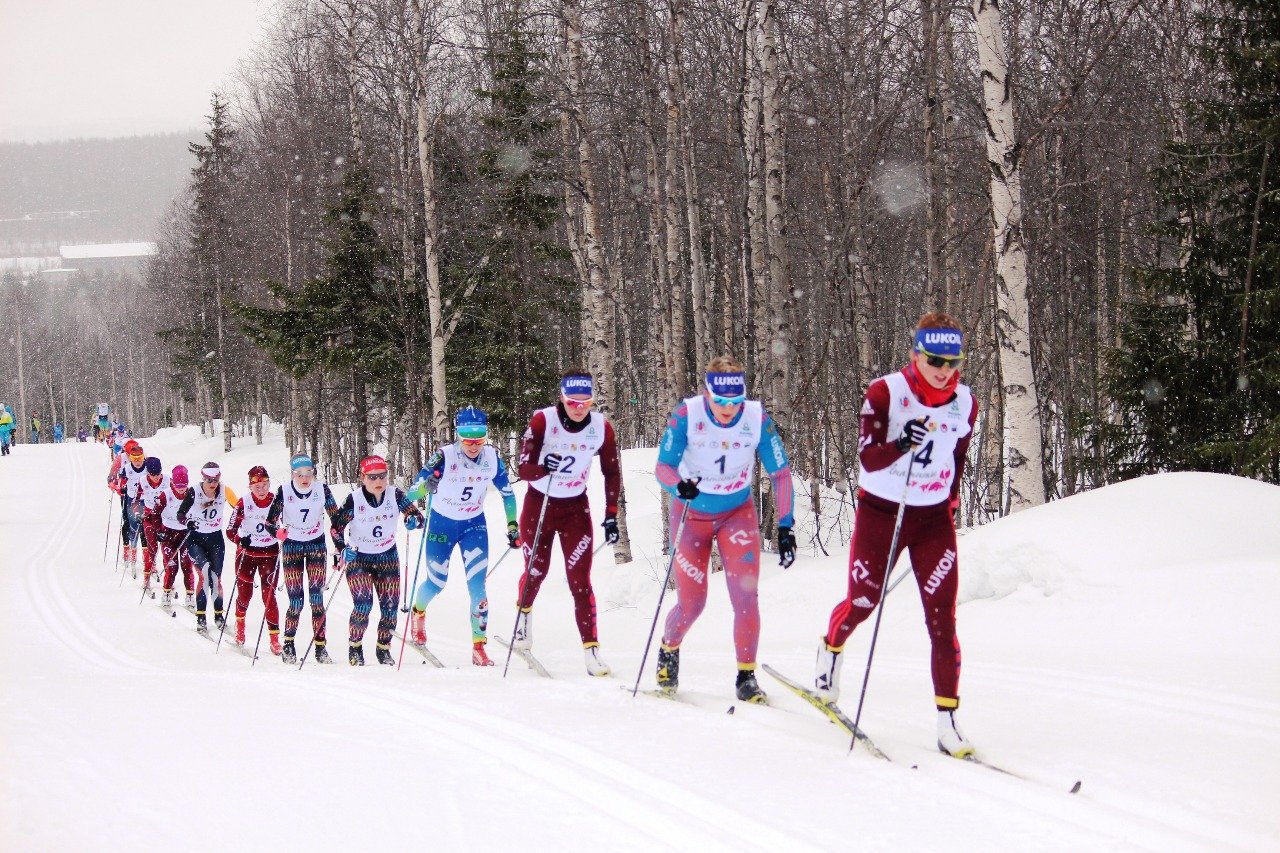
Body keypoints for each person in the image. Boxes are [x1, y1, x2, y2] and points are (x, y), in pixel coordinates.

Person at [815, 312, 979, 758]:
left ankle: (948, 721)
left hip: (931, 520)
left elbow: (959, 454)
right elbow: (868, 460)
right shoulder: (886, 392)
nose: (944, 370)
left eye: (952, 361)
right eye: (935, 360)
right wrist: (901, 443)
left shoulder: (964, 401)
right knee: (863, 602)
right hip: (883, 512)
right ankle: (831, 649)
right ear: (916, 356)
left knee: (942, 619)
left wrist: (952, 497)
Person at [652, 356, 796, 703]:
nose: (729, 409)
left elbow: (781, 473)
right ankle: (668, 651)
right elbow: (663, 466)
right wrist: (678, 485)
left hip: (737, 514)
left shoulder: (756, 417)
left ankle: (746, 677)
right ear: (707, 393)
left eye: (736, 401)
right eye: (721, 401)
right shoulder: (687, 415)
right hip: (691, 516)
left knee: (746, 598)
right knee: (693, 603)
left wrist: (785, 527)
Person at [512, 369, 622, 676]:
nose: (578, 408)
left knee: (580, 581)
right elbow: (523, 468)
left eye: (585, 402)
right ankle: (522, 622)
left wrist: (611, 513)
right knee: (536, 572)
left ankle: (592, 651)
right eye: (572, 402)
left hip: (575, 509)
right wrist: (543, 467)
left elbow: (612, 472)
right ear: (562, 398)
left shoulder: (601, 428)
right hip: (539, 506)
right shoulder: (543, 421)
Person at [405, 406, 519, 666]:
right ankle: (418, 612)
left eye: (479, 437)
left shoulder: (492, 458)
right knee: (436, 583)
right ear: (457, 435)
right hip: (442, 526)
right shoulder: (444, 457)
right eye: (467, 438)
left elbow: (508, 493)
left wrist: (513, 525)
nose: (473, 444)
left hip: (473, 527)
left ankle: (479, 647)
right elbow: (412, 493)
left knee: (478, 588)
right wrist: (426, 485)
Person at [329, 455, 424, 666]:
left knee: (390, 607)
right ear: (363, 478)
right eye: (372, 477)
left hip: (387, 556)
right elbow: (336, 528)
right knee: (363, 605)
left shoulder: (395, 495)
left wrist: (412, 521)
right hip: (359, 558)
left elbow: (418, 518)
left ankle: (383, 649)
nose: (378, 481)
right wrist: (342, 549)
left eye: (382, 476)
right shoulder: (354, 499)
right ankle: (355, 647)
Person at [265, 453, 341, 664]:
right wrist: (276, 532)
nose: (305, 478)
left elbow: (336, 519)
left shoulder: (322, 489)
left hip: (316, 544)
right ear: (293, 474)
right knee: (296, 601)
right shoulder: (284, 491)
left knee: (317, 600)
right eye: (300, 474)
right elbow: (270, 521)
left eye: (309, 473)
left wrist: (340, 545)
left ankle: (320, 647)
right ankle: (288, 645)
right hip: (292, 547)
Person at [225, 466, 282, 654]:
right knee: (245, 595)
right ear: (250, 486)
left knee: (269, 596)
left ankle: (274, 638)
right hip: (247, 555)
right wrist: (240, 540)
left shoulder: (276, 501)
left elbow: (288, 523)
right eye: (257, 487)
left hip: (270, 554)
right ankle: (239, 625)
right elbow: (230, 530)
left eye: (265, 485)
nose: (262, 490)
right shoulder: (244, 502)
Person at [177, 462, 239, 634]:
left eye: (216, 479)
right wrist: (187, 521)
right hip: (196, 539)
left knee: (216, 579)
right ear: (202, 478)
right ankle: (201, 618)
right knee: (204, 576)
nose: (212, 483)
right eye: (208, 479)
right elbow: (181, 514)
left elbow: (239, 507)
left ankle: (219, 616)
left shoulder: (224, 490)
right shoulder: (194, 491)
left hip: (215, 539)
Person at [155, 465, 198, 609]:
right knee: (172, 566)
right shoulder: (166, 495)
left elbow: (199, 512)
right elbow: (155, 514)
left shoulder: (192, 494)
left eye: (184, 485)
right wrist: (158, 531)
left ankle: (190, 595)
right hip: (168, 534)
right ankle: (166, 593)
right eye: (178, 485)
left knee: (187, 565)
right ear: (172, 482)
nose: (181, 488)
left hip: (185, 535)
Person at [108, 439, 148, 573]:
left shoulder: (143, 458)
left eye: (139, 456)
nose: (136, 459)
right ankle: (127, 548)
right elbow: (113, 474)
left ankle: (145, 555)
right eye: (131, 453)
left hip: (142, 498)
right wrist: (116, 485)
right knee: (127, 521)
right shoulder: (121, 458)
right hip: (127, 496)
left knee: (144, 524)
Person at [130, 457, 169, 594]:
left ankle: (167, 581)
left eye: (158, 474)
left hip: (165, 519)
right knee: (151, 550)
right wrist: (137, 513)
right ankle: (146, 579)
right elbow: (135, 501)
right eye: (153, 474)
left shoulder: (167, 481)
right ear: (147, 473)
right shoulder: (142, 482)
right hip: (149, 518)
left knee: (166, 551)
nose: (156, 477)